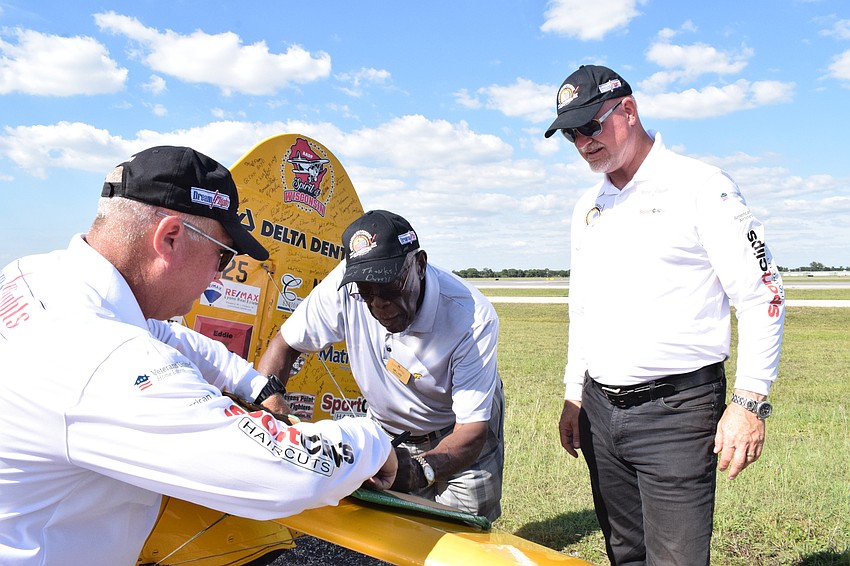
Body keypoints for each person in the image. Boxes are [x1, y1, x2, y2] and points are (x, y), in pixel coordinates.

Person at [0, 146, 397, 566]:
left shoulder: (39, 275)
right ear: (169, 238)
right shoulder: (103, 357)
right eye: (223, 255)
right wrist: (372, 442)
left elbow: (170, 337)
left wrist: (257, 385)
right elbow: (281, 472)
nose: (220, 275)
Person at [545, 65, 785, 565]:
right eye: (571, 133)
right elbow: (582, 307)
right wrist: (574, 395)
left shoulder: (701, 186)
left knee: (676, 559)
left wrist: (748, 404)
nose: (583, 142)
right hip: (601, 412)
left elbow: (761, 295)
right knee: (624, 552)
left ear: (628, 111)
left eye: (591, 125)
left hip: (677, 412)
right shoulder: (588, 205)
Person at [257, 209, 505, 521]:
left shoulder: (471, 317)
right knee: (393, 529)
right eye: (366, 291)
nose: (377, 303)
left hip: (456, 430)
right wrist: (269, 400)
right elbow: (286, 345)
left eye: (388, 286)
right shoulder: (345, 288)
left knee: (463, 533)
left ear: (420, 264)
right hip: (386, 429)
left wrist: (419, 470)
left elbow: (472, 430)